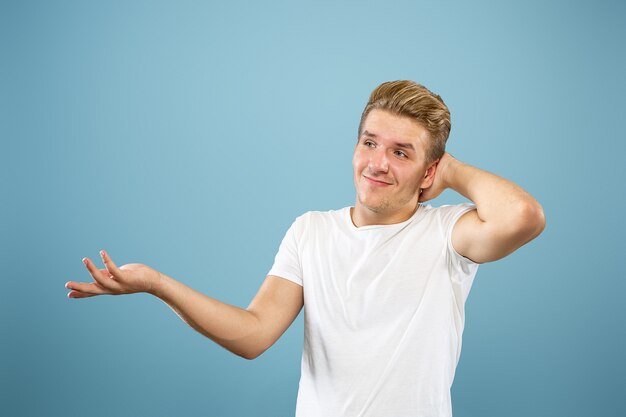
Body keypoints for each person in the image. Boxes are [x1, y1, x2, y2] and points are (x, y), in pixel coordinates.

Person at [65, 80, 546, 417]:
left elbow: (524, 216)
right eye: (369, 143)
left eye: (401, 152)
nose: (376, 163)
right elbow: (253, 334)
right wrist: (156, 284)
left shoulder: (449, 232)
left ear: (428, 171)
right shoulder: (311, 231)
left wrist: (453, 171)